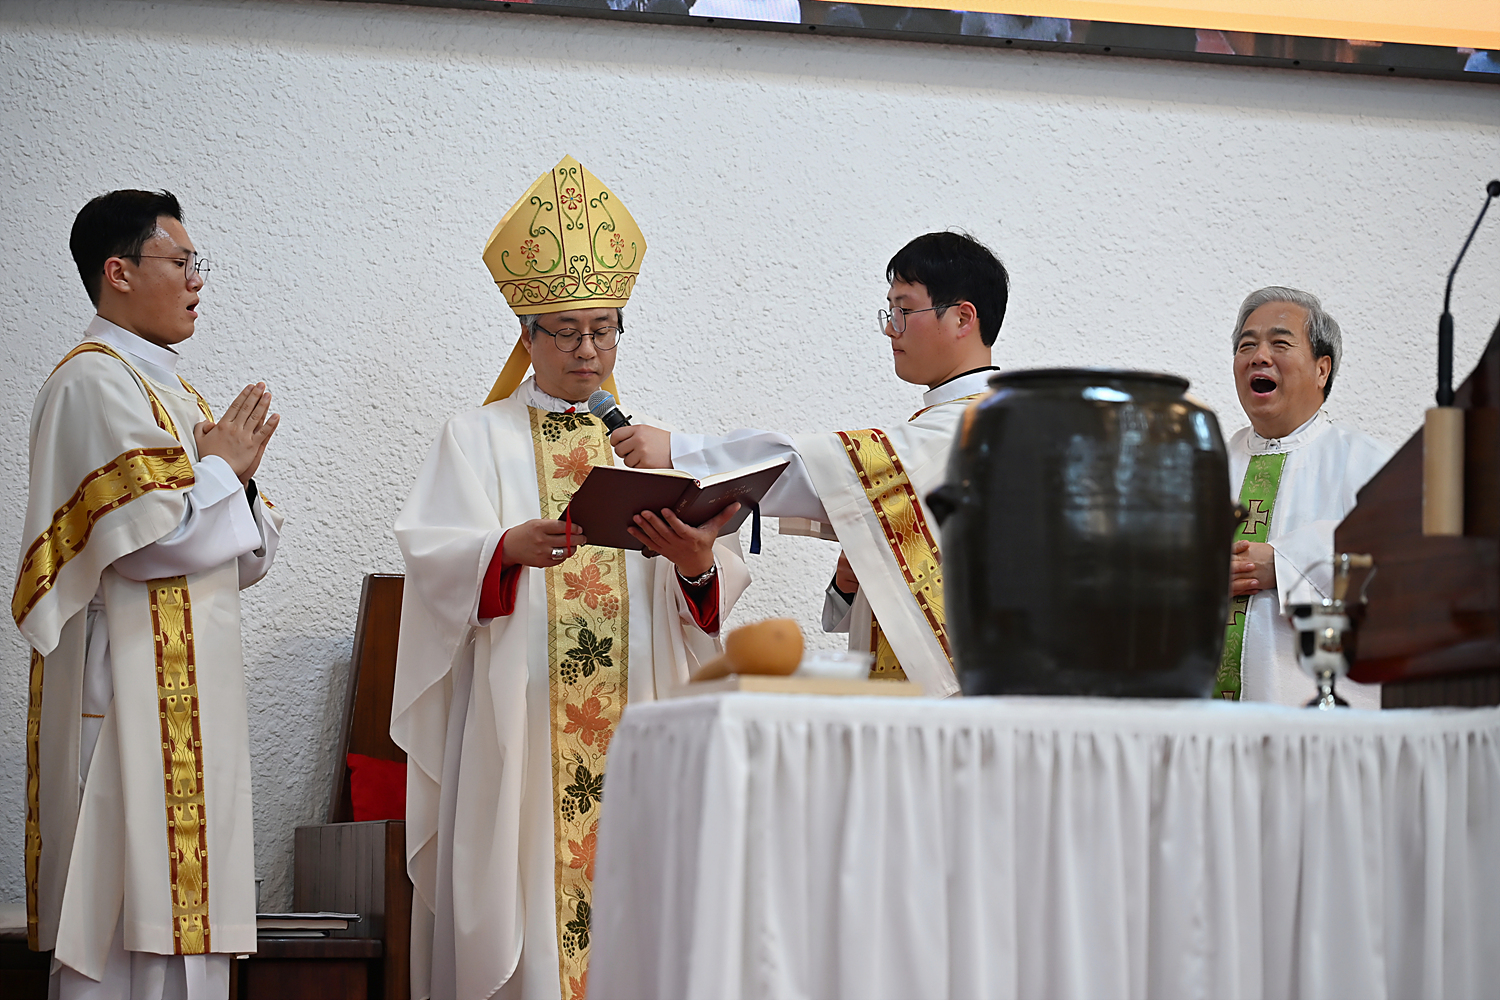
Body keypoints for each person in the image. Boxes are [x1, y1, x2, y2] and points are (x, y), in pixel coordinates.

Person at [390, 156, 750, 1000]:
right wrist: (503, 549)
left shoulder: (648, 444)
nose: (589, 349)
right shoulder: (475, 437)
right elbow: (433, 559)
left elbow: (705, 591)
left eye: (604, 329)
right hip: (522, 728)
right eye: (566, 331)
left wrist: (695, 565)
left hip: (636, 723)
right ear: (526, 338)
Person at [16, 189, 283, 998]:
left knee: (185, 945)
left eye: (199, 263)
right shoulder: (93, 383)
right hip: (127, 695)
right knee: (120, 936)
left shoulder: (179, 393)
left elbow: (247, 555)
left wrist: (235, 480)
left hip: (191, 701)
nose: (198, 281)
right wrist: (223, 470)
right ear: (119, 271)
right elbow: (150, 543)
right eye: (182, 261)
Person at [611, 231, 1010, 696]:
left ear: (962, 317)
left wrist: (679, 452)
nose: (890, 328)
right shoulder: (973, 422)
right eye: (890, 311)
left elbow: (812, 469)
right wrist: (850, 585)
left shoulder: (967, 429)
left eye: (904, 310)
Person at [1220, 286, 1394, 707]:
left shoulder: (1369, 464)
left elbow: (1403, 562)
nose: (1259, 356)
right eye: (1247, 345)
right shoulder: (1206, 465)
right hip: (1204, 720)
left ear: (1322, 369)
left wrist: (1283, 563)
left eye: (1280, 343)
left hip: (1316, 721)